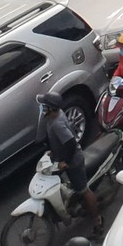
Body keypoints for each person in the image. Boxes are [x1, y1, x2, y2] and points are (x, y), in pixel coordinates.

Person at [39, 91, 103, 234]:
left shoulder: (57, 124)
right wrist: (51, 151)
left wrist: (65, 162)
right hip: (61, 155)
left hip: (73, 160)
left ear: (50, 108)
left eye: (45, 105)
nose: (42, 107)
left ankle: (97, 219)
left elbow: (71, 144)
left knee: (83, 189)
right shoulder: (54, 115)